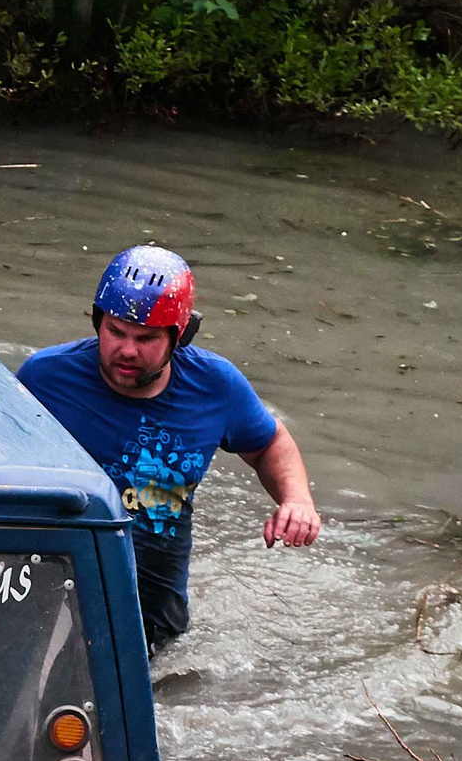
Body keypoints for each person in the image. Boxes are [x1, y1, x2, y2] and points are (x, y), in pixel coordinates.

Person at [18, 245, 321, 653]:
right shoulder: (45, 378)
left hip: (153, 593)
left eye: (145, 338)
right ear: (97, 323)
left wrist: (297, 500)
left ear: (179, 337)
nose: (127, 350)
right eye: (115, 332)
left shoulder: (216, 386)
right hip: (52, 574)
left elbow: (270, 443)